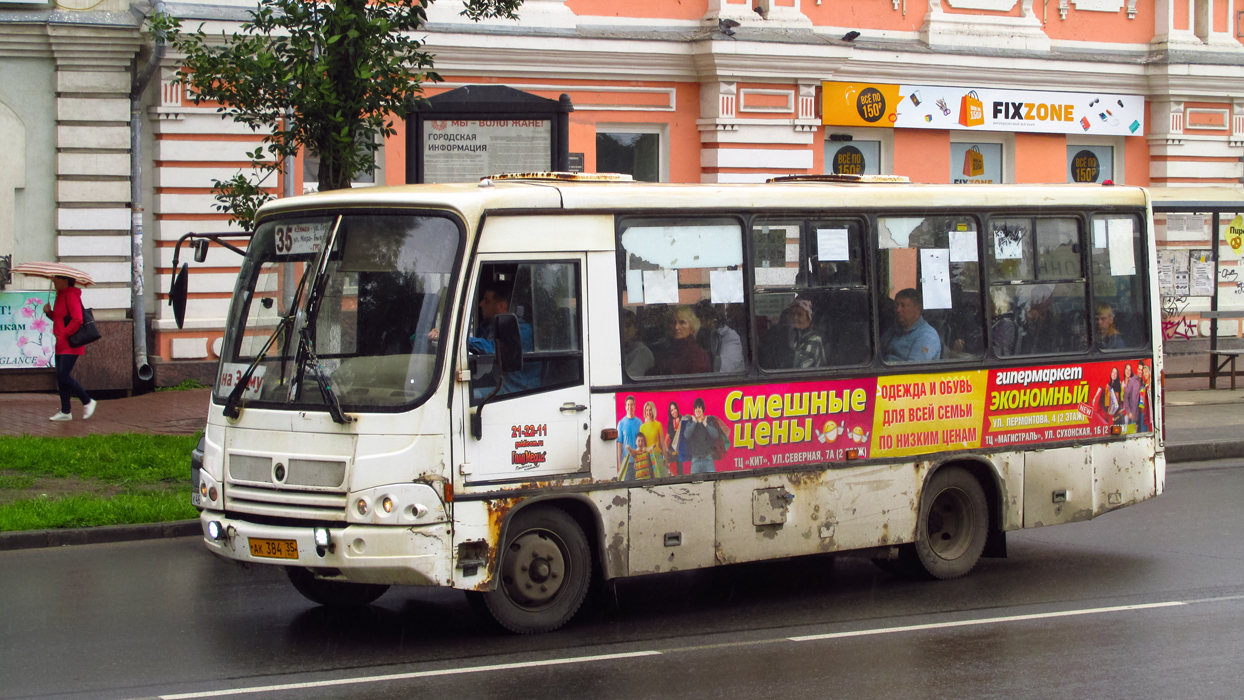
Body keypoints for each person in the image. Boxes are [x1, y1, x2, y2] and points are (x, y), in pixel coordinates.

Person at [466, 284, 540, 396]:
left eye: (486, 301)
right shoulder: (489, 326)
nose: (481, 304)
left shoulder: (522, 330)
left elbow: (493, 349)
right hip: (501, 384)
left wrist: (462, 341)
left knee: (470, 397)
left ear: (501, 306)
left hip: (519, 390)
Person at [42, 275, 96, 421]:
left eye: (56, 278)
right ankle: (66, 412)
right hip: (61, 342)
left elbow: (77, 319)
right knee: (61, 377)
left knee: (63, 375)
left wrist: (64, 335)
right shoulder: (60, 295)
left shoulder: (71, 295)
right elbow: (61, 319)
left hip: (70, 343)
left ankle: (87, 400)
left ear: (65, 280)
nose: (53, 281)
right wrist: (49, 313)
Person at [880, 288, 941, 363]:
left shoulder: (927, 336)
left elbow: (913, 370)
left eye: (903, 305)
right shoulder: (894, 330)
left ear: (918, 308)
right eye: (896, 305)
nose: (898, 310)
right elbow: (878, 353)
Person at [654, 305, 710, 375]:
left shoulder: (697, 354)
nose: (676, 327)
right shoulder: (667, 352)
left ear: (692, 327)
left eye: (682, 322)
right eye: (673, 322)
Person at [694, 300, 745, 373]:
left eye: (700, 318)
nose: (696, 321)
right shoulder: (700, 335)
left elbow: (725, 368)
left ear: (710, 319)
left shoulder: (731, 337)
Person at [679, 397, 726, 474]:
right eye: (696, 408)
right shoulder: (690, 422)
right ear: (694, 410)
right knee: (694, 484)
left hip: (708, 459)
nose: (697, 410)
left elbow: (715, 435)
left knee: (712, 482)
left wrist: (705, 424)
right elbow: (686, 435)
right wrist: (694, 423)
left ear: (703, 409)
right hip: (695, 461)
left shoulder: (708, 421)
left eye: (699, 408)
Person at [622, 310, 654, 378]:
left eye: (628, 326)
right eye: (621, 326)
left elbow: (631, 378)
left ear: (635, 328)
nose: (624, 330)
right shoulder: (620, 349)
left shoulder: (642, 352)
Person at [616, 395, 642, 464]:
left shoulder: (639, 423)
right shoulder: (621, 423)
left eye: (631, 405)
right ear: (625, 407)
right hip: (625, 462)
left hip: (638, 461)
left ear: (634, 407)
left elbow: (643, 443)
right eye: (628, 405)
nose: (630, 407)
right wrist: (619, 463)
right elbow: (619, 444)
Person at [666, 400, 687, 476]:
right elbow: (666, 440)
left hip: (680, 453)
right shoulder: (670, 423)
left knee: (681, 474)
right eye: (671, 410)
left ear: (677, 409)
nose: (674, 411)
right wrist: (667, 455)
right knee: (674, 475)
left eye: (675, 408)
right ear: (670, 413)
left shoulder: (683, 419)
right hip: (672, 454)